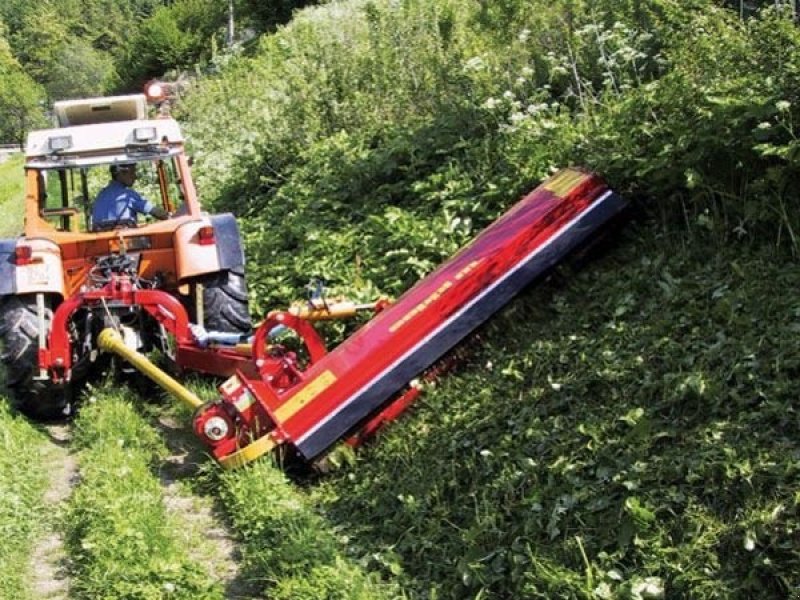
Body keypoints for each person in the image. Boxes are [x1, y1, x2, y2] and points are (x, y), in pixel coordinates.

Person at [91, 163, 169, 230]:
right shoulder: (127, 195)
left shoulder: (100, 195)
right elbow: (156, 212)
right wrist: (169, 216)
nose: (135, 177)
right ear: (120, 173)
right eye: (132, 172)